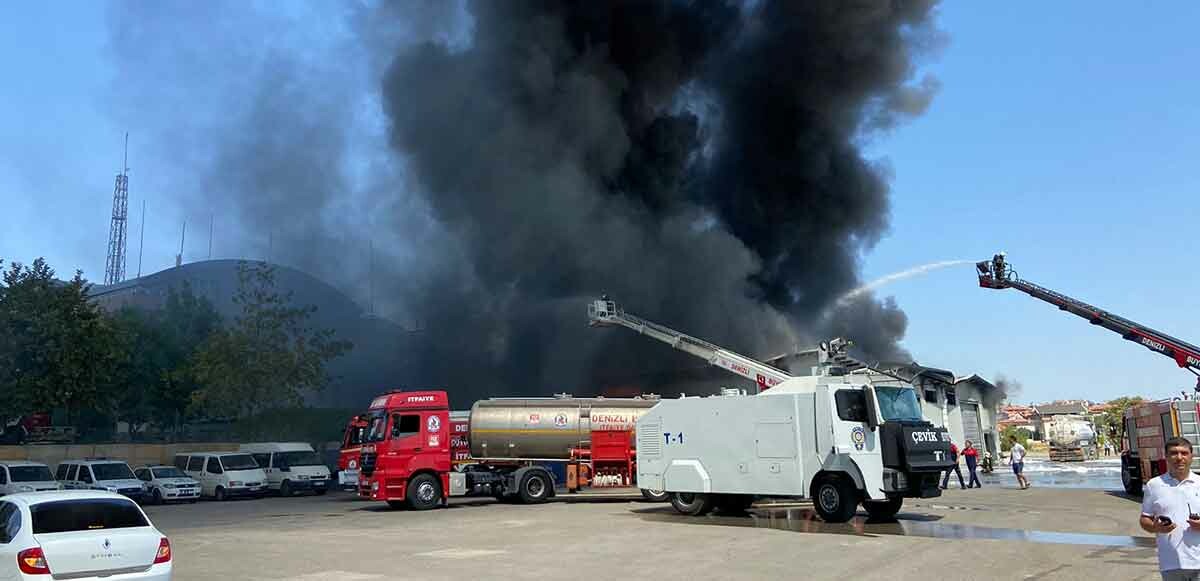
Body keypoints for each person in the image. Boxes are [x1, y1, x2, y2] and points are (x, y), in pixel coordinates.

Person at [1139, 436, 1200, 580]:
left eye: (1184, 453)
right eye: (1174, 453)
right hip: (1171, 564)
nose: (1179, 458)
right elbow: (1144, 519)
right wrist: (1156, 528)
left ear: (1192, 456)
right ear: (1166, 457)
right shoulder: (1154, 485)